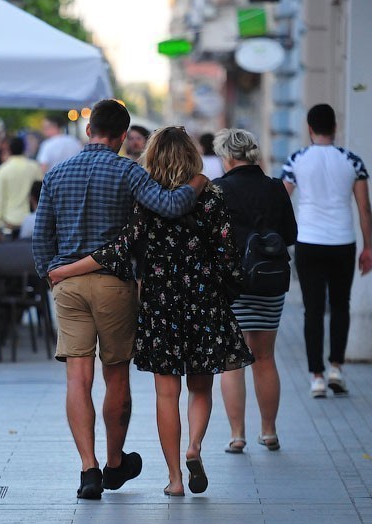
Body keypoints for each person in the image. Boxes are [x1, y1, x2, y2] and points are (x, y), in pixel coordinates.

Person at [49, 126, 253, 497]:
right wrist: (227, 291)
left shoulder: (145, 201)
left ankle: (174, 479)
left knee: (165, 394)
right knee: (201, 387)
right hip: (204, 300)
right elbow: (229, 255)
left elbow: (119, 248)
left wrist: (66, 269)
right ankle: (194, 447)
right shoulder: (211, 196)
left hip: (161, 304)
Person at [33, 99, 208, 501]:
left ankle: (88, 468)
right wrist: (197, 181)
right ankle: (115, 462)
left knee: (78, 377)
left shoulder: (57, 173)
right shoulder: (128, 170)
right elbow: (170, 205)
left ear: (90, 128)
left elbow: (41, 236)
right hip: (113, 283)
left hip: (68, 284)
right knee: (116, 375)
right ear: (123, 135)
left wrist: (52, 277)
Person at [213, 129, 297, 453]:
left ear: (228, 156)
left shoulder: (217, 190)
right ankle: (270, 431)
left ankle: (237, 435)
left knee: (232, 360)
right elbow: (290, 235)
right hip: (269, 281)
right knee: (264, 358)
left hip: (232, 285)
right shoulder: (276, 188)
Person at [281, 104, 372, 398]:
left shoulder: (296, 160)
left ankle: (316, 378)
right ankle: (336, 367)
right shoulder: (352, 161)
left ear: (309, 128)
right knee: (340, 305)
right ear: (335, 127)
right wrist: (368, 246)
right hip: (343, 242)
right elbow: (364, 208)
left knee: (313, 310)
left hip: (308, 242)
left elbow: (282, 203)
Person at [0, 137, 43, 236]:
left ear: (9, 150)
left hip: (10, 220)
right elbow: (40, 192)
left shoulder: (3, 170)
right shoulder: (34, 167)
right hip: (33, 219)